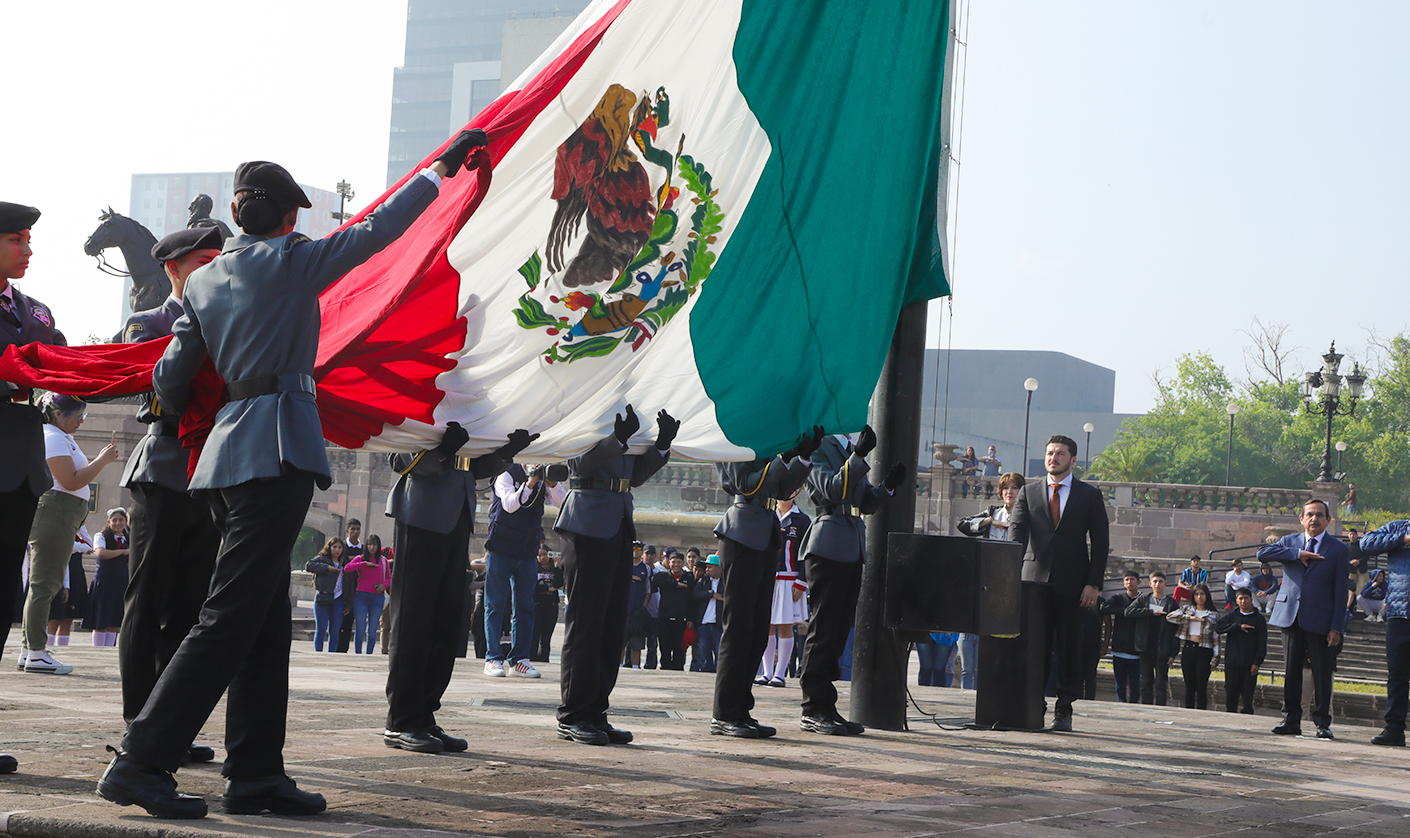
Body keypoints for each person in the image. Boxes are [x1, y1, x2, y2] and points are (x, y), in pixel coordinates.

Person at [100, 134, 485, 819]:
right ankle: (141, 760)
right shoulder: (293, 261)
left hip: (222, 459)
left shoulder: (204, 281)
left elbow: (169, 377)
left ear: (237, 213)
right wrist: (440, 170)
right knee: (228, 617)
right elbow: (377, 229)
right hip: (276, 449)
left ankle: (255, 773)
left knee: (265, 620)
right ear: (288, 218)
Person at [115, 226, 225, 763]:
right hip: (163, 466)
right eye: (203, 262)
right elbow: (151, 381)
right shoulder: (150, 322)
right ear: (173, 269)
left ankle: (168, 725)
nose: (213, 270)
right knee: (148, 598)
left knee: (188, 606)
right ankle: (139, 722)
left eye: (218, 261)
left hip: (209, 470)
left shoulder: (230, 322)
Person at [383, 424, 530, 750]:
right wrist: (443, 450)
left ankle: (424, 714)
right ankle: (401, 720)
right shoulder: (428, 402)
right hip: (421, 510)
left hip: (457, 512)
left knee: (446, 622)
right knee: (413, 621)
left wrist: (506, 452)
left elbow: (473, 466)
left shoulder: (472, 409)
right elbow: (398, 458)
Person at [554, 405, 675, 745]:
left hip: (619, 522)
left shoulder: (630, 414)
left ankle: (596, 711)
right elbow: (576, 464)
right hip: (586, 520)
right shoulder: (589, 405)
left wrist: (661, 445)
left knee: (611, 627)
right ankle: (573, 714)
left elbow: (633, 476)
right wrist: (617, 439)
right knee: (586, 625)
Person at [1, 201, 66, 775]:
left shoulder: (34, 311)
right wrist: (14, 379)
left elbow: (64, 359)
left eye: (28, 239)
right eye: (16, 239)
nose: (28, 249)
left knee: (3, 600)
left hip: (20, 471)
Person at [797, 426, 904, 736]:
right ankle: (812, 708)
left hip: (851, 543)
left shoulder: (845, 450)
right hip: (828, 541)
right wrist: (857, 456)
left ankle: (826, 705)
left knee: (839, 630)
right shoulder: (821, 447)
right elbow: (831, 490)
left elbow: (865, 502)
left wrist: (887, 487)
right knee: (823, 629)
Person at [709, 428, 817, 738]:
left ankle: (741, 709)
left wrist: (803, 458)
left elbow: (782, 487)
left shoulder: (765, 438)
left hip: (765, 530)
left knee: (757, 630)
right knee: (738, 627)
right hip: (743, 527)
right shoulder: (734, 433)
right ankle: (724, 713)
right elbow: (746, 482)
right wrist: (784, 457)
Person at [1006, 435, 1110, 732]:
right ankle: (1032, 705)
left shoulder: (1089, 495)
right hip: (1032, 582)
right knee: (1034, 647)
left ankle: (1064, 709)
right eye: (1050, 453)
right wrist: (1009, 577)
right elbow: (1016, 536)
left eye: (1061, 453)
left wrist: (1093, 584)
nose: (1054, 458)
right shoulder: (1029, 492)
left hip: (1073, 585)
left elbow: (1100, 543)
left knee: (1068, 648)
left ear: (1073, 460)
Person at [22, 394, 120, 675]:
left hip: (61, 514)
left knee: (44, 583)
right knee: (44, 584)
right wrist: (101, 461)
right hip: (55, 513)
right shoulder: (52, 437)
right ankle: (36, 652)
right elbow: (70, 480)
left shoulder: (60, 436)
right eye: (78, 416)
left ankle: (31, 649)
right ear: (58, 415)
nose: (81, 422)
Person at [1256, 498, 1349, 740]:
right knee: (1291, 670)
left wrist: (1337, 627)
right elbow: (1261, 553)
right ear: (1301, 519)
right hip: (1290, 615)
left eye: (1319, 515)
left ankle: (1322, 723)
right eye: (1309, 514)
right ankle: (1291, 720)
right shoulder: (1289, 542)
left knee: (1322, 672)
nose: (1314, 519)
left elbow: (1341, 592)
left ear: (1328, 520)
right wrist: (1297, 554)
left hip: (1321, 619)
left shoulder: (1338, 549)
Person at [483, 462, 566, 679]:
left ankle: (519, 659)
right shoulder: (506, 473)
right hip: (501, 548)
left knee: (526, 607)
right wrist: (529, 483)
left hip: (527, 551)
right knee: (495, 605)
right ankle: (493, 658)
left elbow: (564, 504)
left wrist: (552, 484)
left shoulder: (543, 476)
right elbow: (510, 505)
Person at [956, 470, 1026, 685]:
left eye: (1014, 488)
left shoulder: (1028, 514)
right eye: (1005, 488)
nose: (1009, 492)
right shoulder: (993, 512)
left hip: (1016, 580)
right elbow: (963, 524)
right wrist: (989, 522)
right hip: (991, 579)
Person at [1357, 519, 1410, 746]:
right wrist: (1403, 539)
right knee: (1397, 674)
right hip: (1399, 612)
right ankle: (1394, 728)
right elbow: (1366, 543)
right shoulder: (1399, 527)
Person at [758, 491, 811, 687]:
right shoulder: (767, 516)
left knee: (785, 626)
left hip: (790, 580)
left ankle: (780, 674)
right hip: (768, 579)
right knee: (767, 625)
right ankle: (767, 672)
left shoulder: (802, 520)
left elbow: (807, 553)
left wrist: (802, 581)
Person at [1126, 570, 1178, 705]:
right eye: (1155, 581)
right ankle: (1146, 708)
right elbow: (1129, 611)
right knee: (1146, 681)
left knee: (1161, 683)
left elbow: (1176, 629)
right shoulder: (1144, 599)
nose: (1157, 584)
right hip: (1145, 646)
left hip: (1163, 648)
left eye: (1160, 581)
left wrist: (1173, 652)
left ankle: (1160, 708)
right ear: (1150, 584)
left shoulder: (1171, 603)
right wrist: (1150, 612)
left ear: (1165, 584)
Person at [1166, 582, 1219, 710]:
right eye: (1196, 594)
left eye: (1202, 594)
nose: (1199, 597)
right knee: (1189, 685)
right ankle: (1188, 712)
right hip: (1189, 648)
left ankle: (1201, 712)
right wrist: (1188, 618)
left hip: (1205, 650)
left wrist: (1216, 657)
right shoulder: (1187, 609)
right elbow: (1169, 617)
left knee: (1201, 686)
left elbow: (1216, 638)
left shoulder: (1213, 614)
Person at [1215, 587, 1267, 714]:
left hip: (1249, 664)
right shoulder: (1232, 616)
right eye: (1241, 598)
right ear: (1237, 601)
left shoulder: (1259, 619)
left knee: (1247, 698)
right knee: (1231, 697)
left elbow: (1262, 642)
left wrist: (1257, 662)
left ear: (1251, 600)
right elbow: (1218, 627)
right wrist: (1237, 627)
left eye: (1246, 598)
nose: (1243, 601)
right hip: (1232, 663)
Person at [85, 508, 131, 647]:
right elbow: (100, 553)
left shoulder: (128, 538)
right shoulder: (101, 536)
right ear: (108, 522)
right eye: (114, 520)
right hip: (104, 582)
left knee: (114, 621)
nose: (118, 523)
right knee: (101, 619)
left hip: (121, 581)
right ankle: (98, 649)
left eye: (121, 520)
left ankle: (109, 648)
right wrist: (123, 552)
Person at [1099, 570, 1143, 703]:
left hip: (1137, 649)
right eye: (1127, 580)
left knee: (1135, 685)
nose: (1130, 582)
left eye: (1132, 579)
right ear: (1124, 583)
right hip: (1119, 648)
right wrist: (1125, 612)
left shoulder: (1144, 599)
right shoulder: (1118, 598)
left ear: (1138, 582)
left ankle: (1134, 706)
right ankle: (1121, 706)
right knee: (1120, 685)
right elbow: (1103, 608)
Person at [344, 535, 390, 655]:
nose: (372, 547)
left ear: (378, 546)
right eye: (369, 544)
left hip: (377, 598)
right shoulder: (360, 558)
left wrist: (383, 586)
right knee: (360, 628)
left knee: (372, 629)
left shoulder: (383, 560)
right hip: (361, 597)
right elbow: (347, 568)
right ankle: (358, 654)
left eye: (374, 544)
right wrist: (364, 564)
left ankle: (369, 654)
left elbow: (389, 578)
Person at [47, 527, 92, 649]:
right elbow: (77, 547)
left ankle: (62, 649)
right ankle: (47, 647)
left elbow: (90, 546)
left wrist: (82, 528)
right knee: (55, 618)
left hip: (76, 578)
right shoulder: (62, 537)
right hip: (61, 577)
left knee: (68, 619)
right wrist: (83, 547)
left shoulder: (76, 538)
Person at [653, 552, 696, 671]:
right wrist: (675, 584)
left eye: (679, 562)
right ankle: (665, 670)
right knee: (664, 648)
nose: (676, 565)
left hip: (681, 620)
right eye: (673, 562)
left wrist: (691, 619)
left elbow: (693, 601)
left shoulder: (689, 578)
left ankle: (678, 671)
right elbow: (654, 580)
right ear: (669, 562)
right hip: (664, 618)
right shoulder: (664, 576)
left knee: (679, 650)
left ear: (683, 563)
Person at [304, 539, 346, 652]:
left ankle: (332, 654)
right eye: (334, 547)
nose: (337, 550)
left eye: (340, 547)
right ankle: (318, 653)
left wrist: (349, 602)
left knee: (335, 631)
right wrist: (327, 568)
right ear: (329, 547)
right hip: (323, 597)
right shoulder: (322, 559)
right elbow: (309, 565)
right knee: (321, 629)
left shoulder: (344, 562)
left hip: (338, 599)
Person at [530, 547, 563, 663]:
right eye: (539, 555)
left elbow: (559, 583)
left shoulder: (555, 570)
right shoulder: (534, 568)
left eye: (545, 554)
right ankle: (532, 658)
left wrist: (557, 566)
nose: (542, 557)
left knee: (546, 636)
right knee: (534, 635)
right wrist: (548, 588)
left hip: (551, 605)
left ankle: (544, 659)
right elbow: (533, 586)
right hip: (537, 604)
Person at [335, 519, 363, 654]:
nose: (355, 532)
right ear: (347, 531)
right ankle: (335, 649)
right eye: (353, 529)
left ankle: (343, 651)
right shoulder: (341, 547)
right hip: (343, 589)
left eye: (358, 529)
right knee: (338, 622)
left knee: (349, 623)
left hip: (359, 589)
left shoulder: (364, 549)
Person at [693, 554, 723, 675]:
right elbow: (695, 594)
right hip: (704, 625)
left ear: (718, 567)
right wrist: (711, 594)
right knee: (704, 655)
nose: (707, 570)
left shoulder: (726, 582)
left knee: (719, 654)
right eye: (706, 567)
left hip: (718, 625)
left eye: (710, 567)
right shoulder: (703, 581)